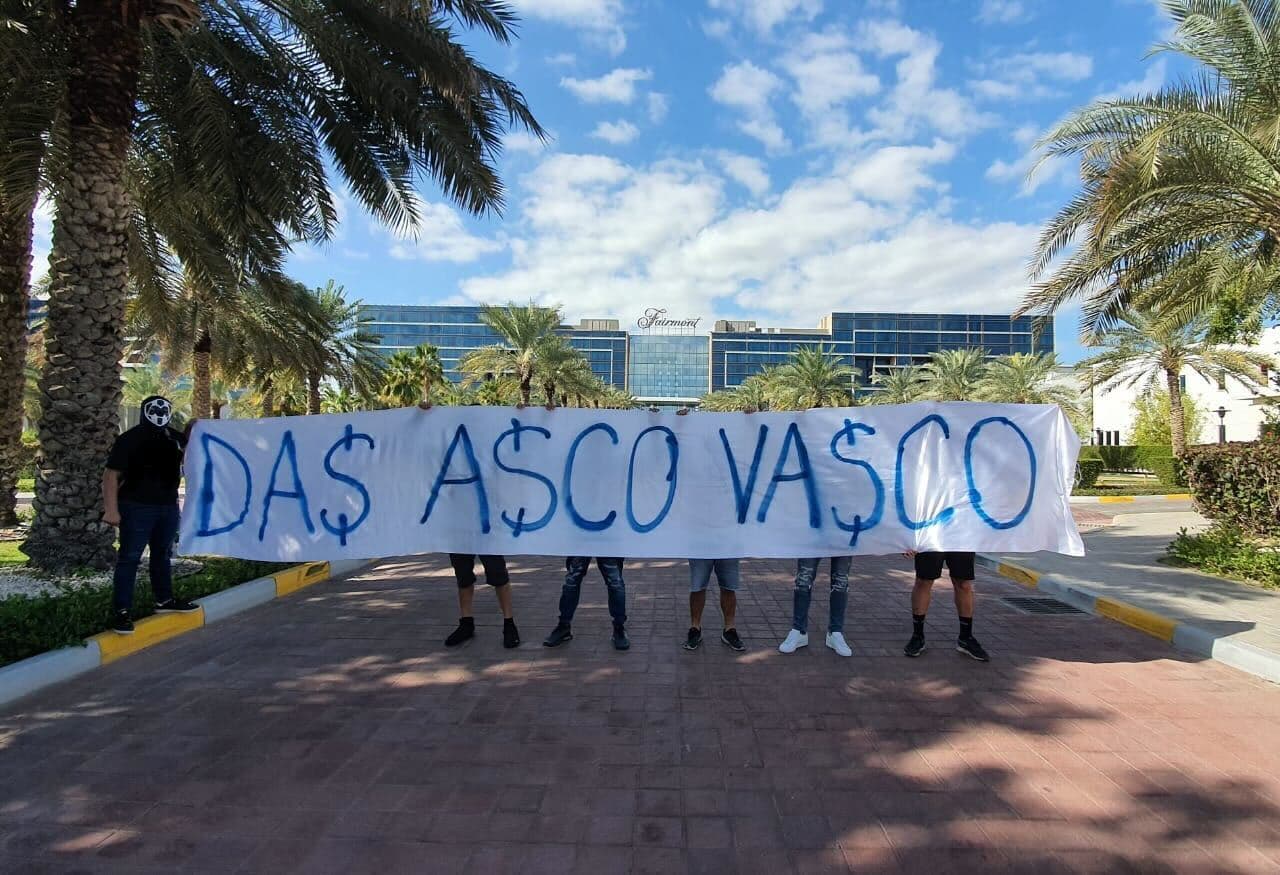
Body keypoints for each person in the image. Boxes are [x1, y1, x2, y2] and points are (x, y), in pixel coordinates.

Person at [102, 396, 199, 634]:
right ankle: (122, 611)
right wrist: (111, 509)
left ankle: (164, 600)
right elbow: (111, 475)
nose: (160, 413)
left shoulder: (173, 437)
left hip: (167, 507)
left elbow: (191, 453)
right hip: (135, 507)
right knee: (129, 558)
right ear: (145, 410)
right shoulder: (129, 439)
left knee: (162, 555)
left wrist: (193, 431)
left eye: (164, 409)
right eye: (155, 409)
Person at [904, 551, 989, 661]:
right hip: (931, 542)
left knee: (963, 584)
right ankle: (917, 636)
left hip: (960, 542)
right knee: (923, 581)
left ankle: (966, 638)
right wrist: (906, 543)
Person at [543, 557, 629, 650]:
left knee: (615, 583)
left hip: (609, 548)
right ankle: (563, 626)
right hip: (580, 548)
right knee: (571, 582)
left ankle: (619, 628)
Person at [778, 557, 853, 657]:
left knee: (841, 581)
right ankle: (799, 631)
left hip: (843, 546)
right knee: (803, 579)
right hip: (812, 545)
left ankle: (835, 632)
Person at [445, 554, 520, 649]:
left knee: (498, 572)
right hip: (461, 544)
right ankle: (466, 623)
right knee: (463, 574)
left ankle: (509, 624)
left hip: (488, 544)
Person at [684, 559, 745, 652]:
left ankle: (729, 630)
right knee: (697, 587)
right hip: (700, 551)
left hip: (728, 551)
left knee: (728, 586)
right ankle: (695, 628)